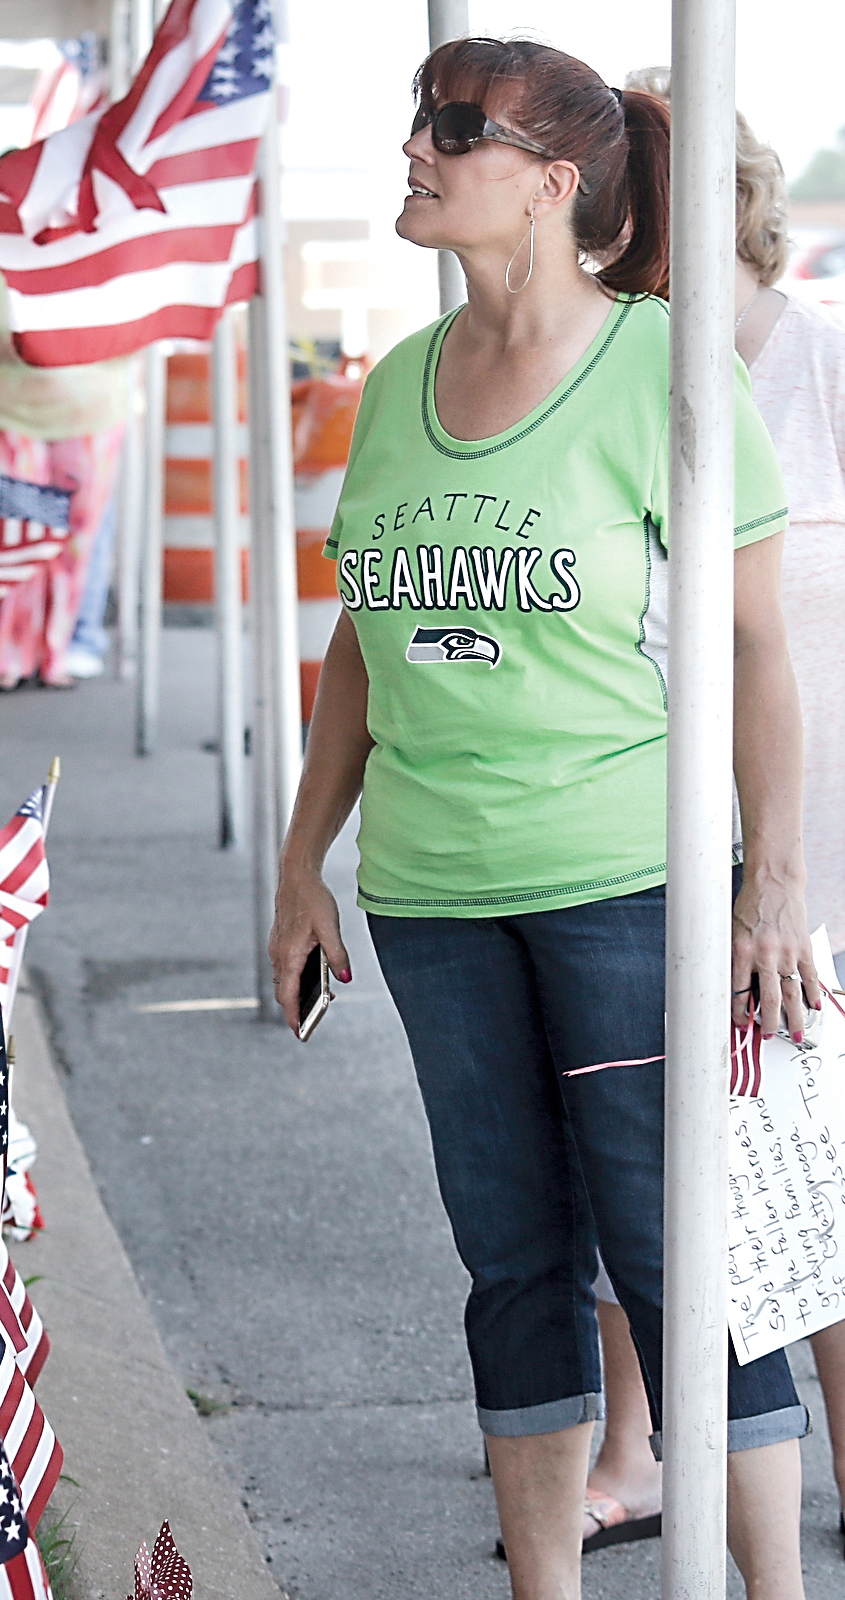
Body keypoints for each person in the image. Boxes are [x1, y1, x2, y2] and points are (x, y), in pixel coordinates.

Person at [267, 37, 820, 1600]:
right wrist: (306, 864)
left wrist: (771, 880)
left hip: (627, 883)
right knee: (511, 1264)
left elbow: (760, 654)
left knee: (677, 1262)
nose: (418, 151)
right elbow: (360, 653)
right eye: (421, 122)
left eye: (455, 130)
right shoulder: (389, 384)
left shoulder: (664, 361)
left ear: (552, 184)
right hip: (431, 897)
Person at [582, 85, 845, 1558]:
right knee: (646, 1125)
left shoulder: (822, 368)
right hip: (643, 816)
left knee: (821, 1151)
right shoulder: (606, 370)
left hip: (826, 822)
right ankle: (645, 1443)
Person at [0, 242, 128, 690]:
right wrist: (14, 348)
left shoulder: (108, 249)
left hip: (91, 417)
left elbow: (135, 340)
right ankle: (8, 655)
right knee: (19, 537)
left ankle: (55, 653)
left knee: (73, 544)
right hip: (13, 418)